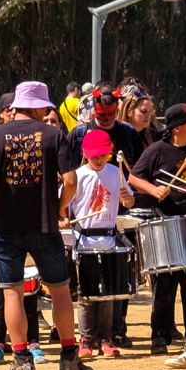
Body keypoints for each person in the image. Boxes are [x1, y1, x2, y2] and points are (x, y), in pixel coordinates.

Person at [0, 81, 85, 370]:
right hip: (45, 223)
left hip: (6, 225)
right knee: (59, 289)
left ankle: (22, 360)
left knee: (12, 291)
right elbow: (71, 181)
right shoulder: (54, 135)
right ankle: (69, 358)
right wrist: (60, 207)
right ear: (38, 106)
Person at [129, 104, 186, 364]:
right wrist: (154, 191)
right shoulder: (156, 150)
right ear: (177, 128)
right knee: (165, 281)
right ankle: (159, 334)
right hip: (166, 219)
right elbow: (134, 178)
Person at [64, 127, 132, 356]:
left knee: (107, 292)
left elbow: (130, 201)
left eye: (102, 155)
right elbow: (63, 202)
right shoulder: (78, 175)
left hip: (109, 237)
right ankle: (85, 338)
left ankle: (106, 337)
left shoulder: (116, 172)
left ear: (109, 152)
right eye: (94, 155)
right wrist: (63, 219)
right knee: (86, 292)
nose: (98, 159)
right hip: (84, 239)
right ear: (85, 153)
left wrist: (128, 198)